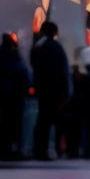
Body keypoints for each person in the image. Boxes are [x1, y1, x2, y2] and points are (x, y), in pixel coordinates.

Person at [30, 20, 70, 161]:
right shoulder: (54, 47)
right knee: (48, 122)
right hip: (54, 91)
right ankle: (44, 151)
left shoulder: (37, 46)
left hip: (43, 89)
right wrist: (65, 93)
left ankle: (39, 150)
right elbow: (62, 72)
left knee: (43, 121)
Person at [0, 32, 30, 161]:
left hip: (0, 98)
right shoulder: (14, 58)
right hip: (14, 97)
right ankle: (14, 150)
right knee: (15, 126)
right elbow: (23, 73)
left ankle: (4, 151)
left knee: (4, 127)